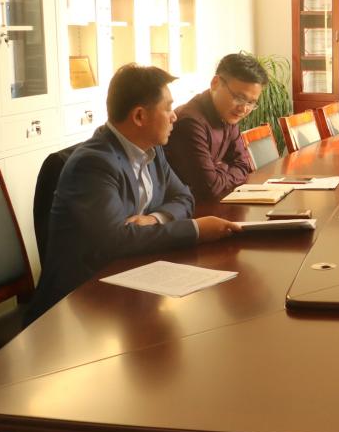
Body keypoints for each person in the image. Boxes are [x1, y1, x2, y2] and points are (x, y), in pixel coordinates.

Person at [25, 65, 241, 324]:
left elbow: (184, 197)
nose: (174, 117)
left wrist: (155, 219)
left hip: (128, 278)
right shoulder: (93, 164)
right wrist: (195, 230)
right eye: (168, 108)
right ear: (139, 116)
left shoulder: (152, 149)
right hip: (78, 305)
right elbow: (115, 241)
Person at [165, 53, 267, 201]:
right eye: (239, 97)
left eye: (251, 103)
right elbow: (209, 186)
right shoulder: (190, 122)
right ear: (215, 83)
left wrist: (219, 170)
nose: (243, 109)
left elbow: (244, 166)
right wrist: (225, 167)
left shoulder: (228, 115)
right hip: (189, 208)